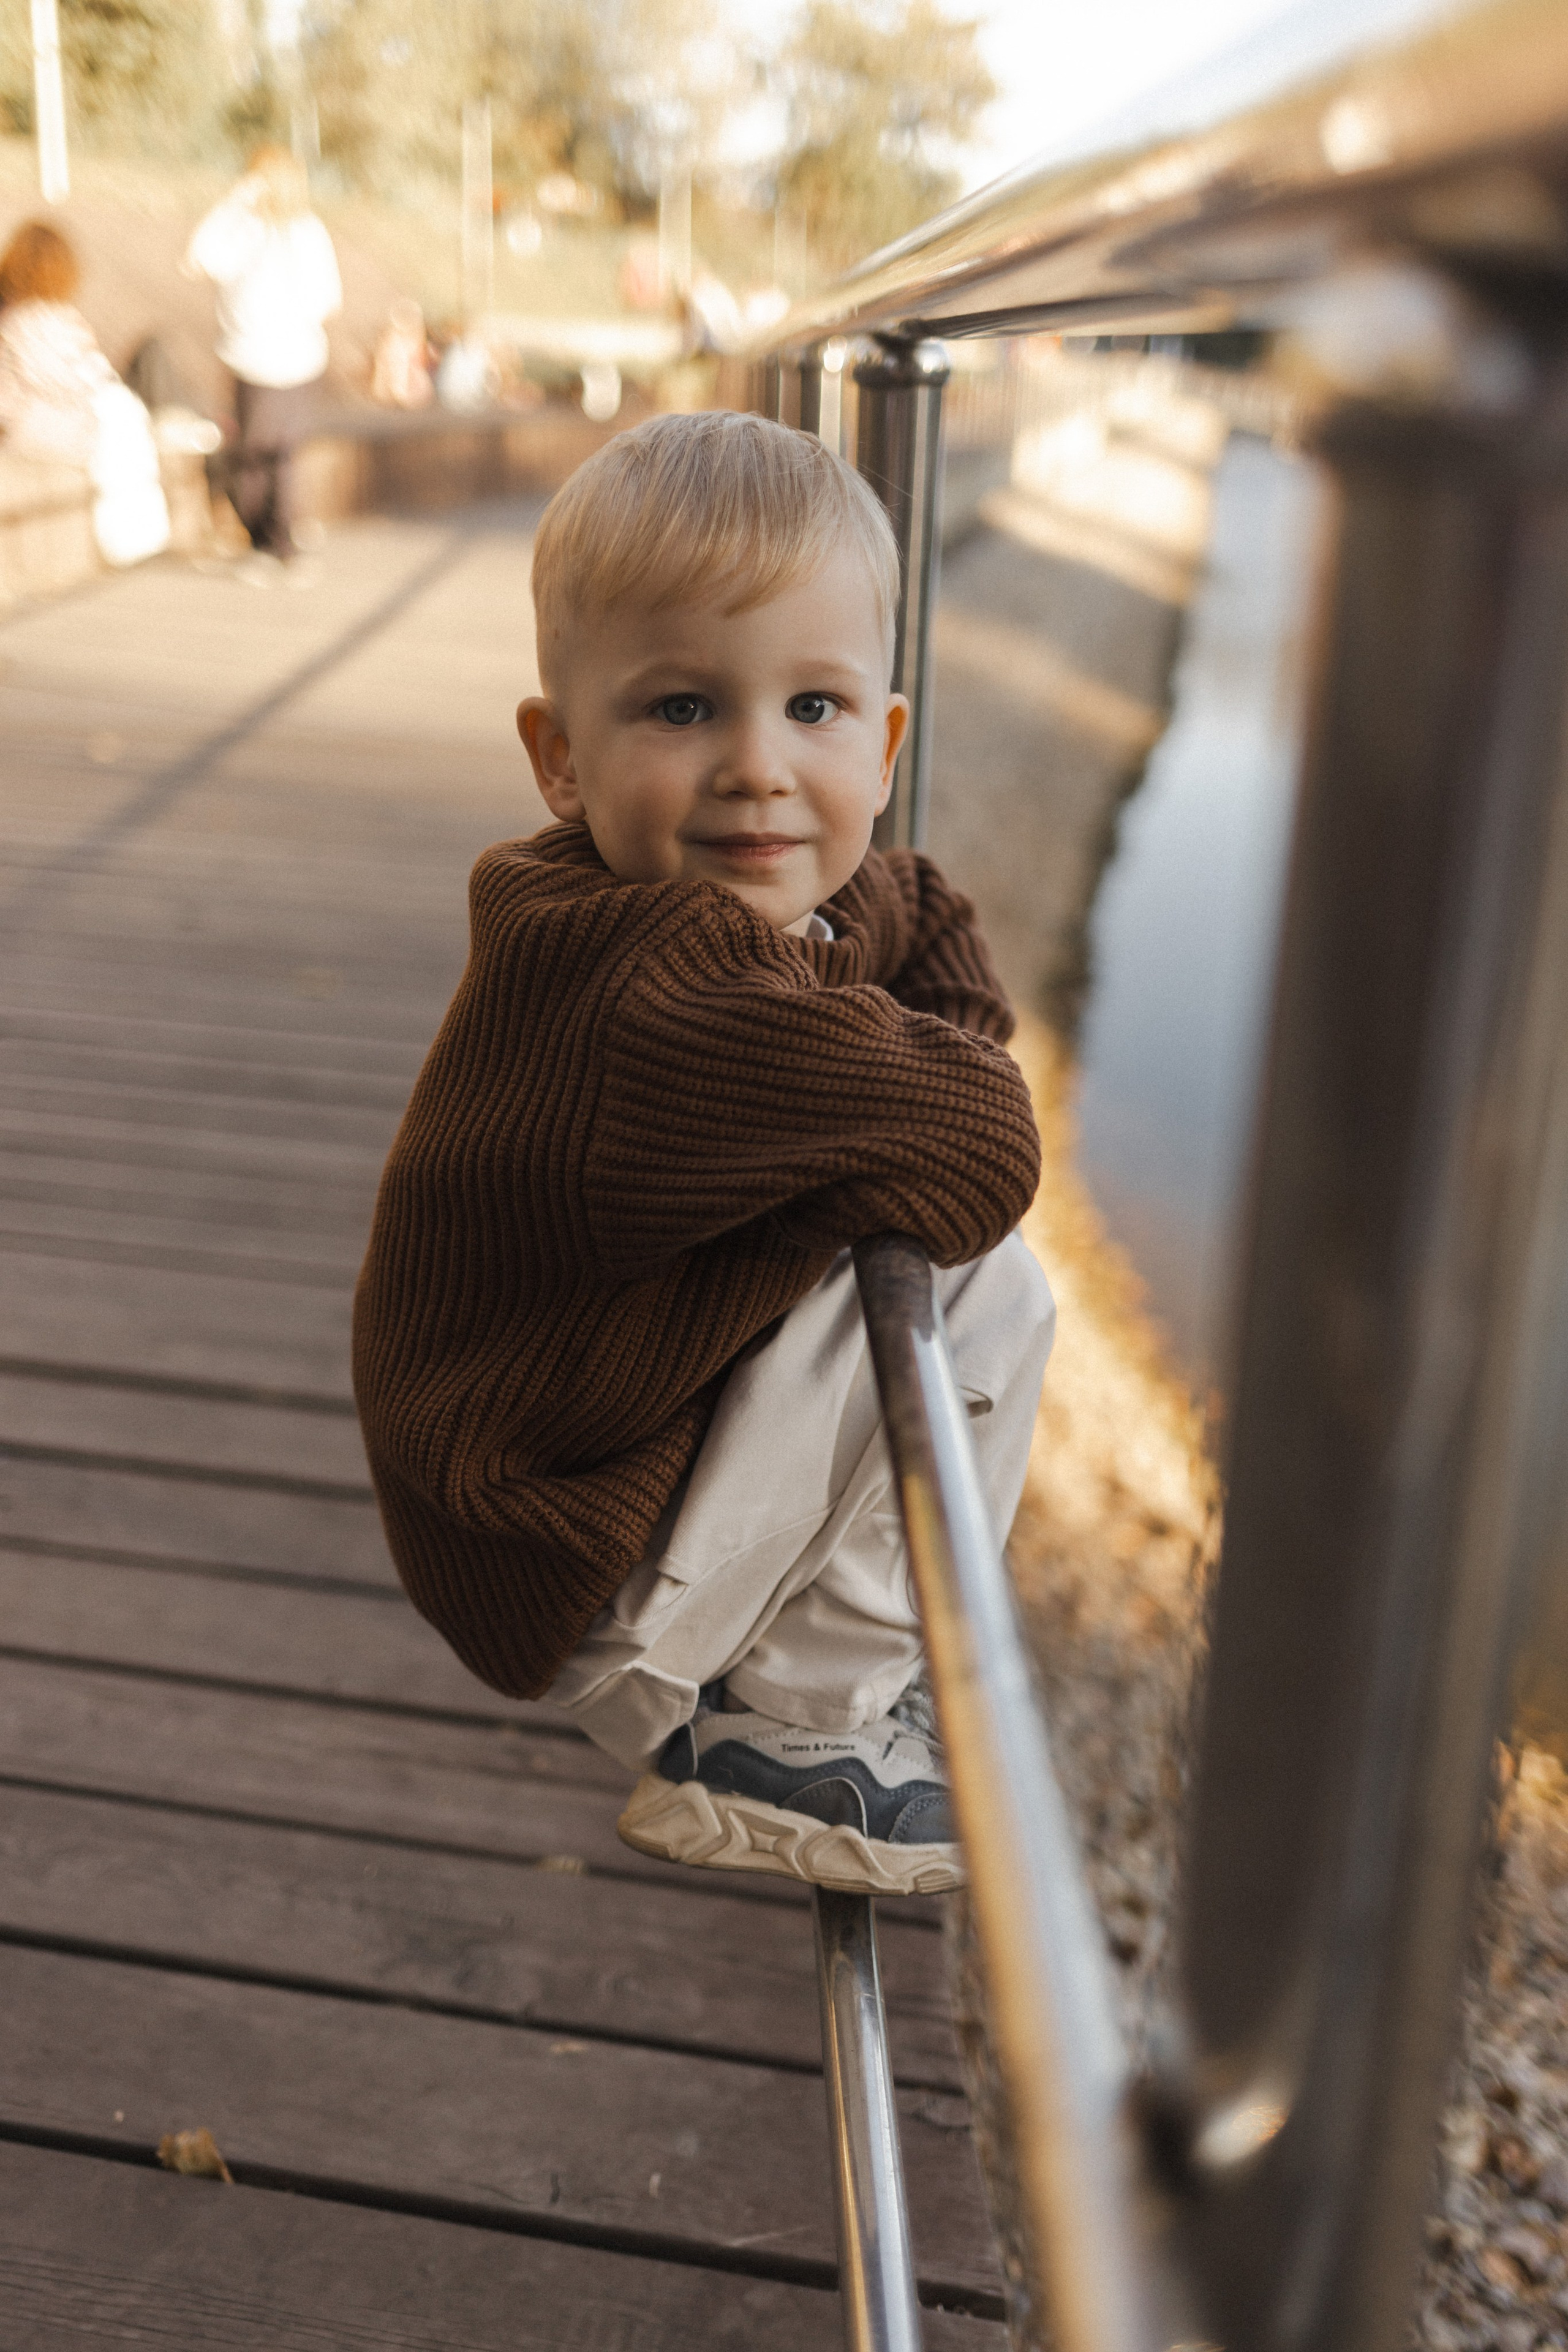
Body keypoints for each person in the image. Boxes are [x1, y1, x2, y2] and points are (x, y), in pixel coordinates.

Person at [353, 412, 1054, 1897]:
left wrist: (867, 1093)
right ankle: (795, 1735)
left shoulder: (743, 905)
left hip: (583, 1467)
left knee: (904, 1231)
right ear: (559, 758)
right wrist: (884, 1106)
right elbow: (982, 1137)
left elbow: (922, 923)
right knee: (981, 1286)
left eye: (811, 708)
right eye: (679, 710)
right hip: (563, 1544)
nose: (754, 769)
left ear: (884, 743)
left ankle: (819, 1675)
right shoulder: (640, 982)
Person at [185, 145, 341, 575]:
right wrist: (235, 203)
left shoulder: (306, 231)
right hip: (255, 358)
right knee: (264, 453)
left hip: (286, 356)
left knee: (272, 453)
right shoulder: (242, 230)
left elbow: (328, 298)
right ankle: (270, 542)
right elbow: (196, 259)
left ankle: (275, 544)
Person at [0, 220, 170, 568]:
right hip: (63, 432)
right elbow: (96, 378)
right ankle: (135, 538)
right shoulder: (65, 322)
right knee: (125, 416)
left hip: (26, 429)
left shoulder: (12, 322)